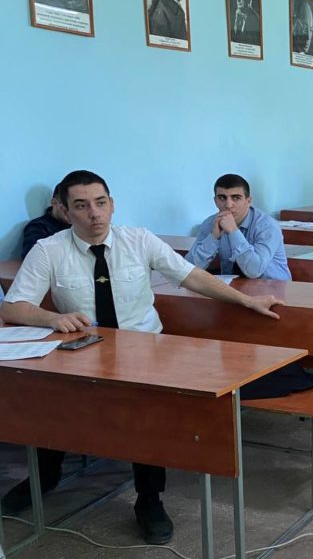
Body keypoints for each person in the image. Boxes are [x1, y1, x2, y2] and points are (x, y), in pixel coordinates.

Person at [0, 170, 283, 544]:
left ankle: (149, 499)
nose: (94, 214)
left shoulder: (138, 239)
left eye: (101, 203)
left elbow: (192, 276)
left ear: (112, 204)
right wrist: (52, 318)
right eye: (81, 206)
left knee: (149, 412)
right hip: (85, 352)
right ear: (65, 212)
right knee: (50, 397)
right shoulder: (49, 249)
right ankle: (45, 477)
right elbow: (14, 307)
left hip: (145, 349)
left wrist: (247, 300)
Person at [185, 174, 291, 281]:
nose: (228, 205)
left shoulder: (267, 226)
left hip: (273, 287)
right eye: (222, 198)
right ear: (215, 201)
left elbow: (254, 271)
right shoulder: (211, 223)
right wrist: (213, 237)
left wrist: (233, 231)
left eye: (236, 198)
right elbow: (188, 270)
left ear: (248, 201)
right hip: (232, 287)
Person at [22, 183, 71, 259]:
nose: (73, 211)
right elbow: (32, 257)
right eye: (67, 205)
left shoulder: (82, 222)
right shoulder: (38, 226)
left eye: (79, 205)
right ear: (54, 203)